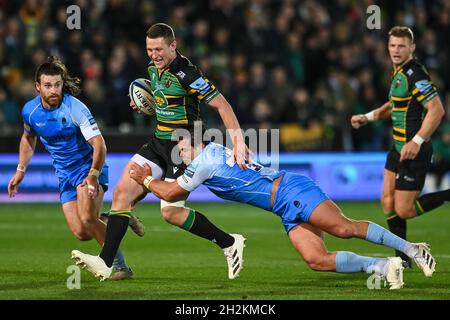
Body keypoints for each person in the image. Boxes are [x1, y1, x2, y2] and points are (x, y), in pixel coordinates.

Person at [73, 132, 436, 289]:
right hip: (284, 207)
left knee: (343, 228)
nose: (180, 153)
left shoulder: (206, 160)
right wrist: (133, 204)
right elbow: (173, 198)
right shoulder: (205, 157)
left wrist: (144, 180)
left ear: (196, 143)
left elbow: (170, 190)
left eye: (183, 147)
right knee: (317, 259)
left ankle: (410, 249)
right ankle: (381, 265)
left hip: (292, 192)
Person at [72, 23, 249, 281]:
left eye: (158, 49)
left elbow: (223, 105)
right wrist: (145, 104)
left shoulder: (187, 74)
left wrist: (239, 142)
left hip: (184, 146)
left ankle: (229, 242)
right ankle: (106, 262)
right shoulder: (152, 71)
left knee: (171, 212)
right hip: (158, 143)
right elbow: (165, 102)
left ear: (173, 46)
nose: (154, 55)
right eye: (149, 49)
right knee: (122, 192)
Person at [7, 56, 141, 280]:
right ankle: (117, 220)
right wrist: (21, 170)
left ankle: (120, 267)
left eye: (57, 85)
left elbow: (99, 144)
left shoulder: (75, 109)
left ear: (62, 83)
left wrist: (93, 175)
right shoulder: (30, 111)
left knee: (88, 218)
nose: (53, 90)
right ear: (37, 87)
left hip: (87, 168)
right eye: (48, 85)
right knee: (81, 232)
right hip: (64, 174)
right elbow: (28, 138)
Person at [351, 26, 449, 267]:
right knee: (387, 202)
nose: (396, 50)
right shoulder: (399, 73)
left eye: (401, 46)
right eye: (393, 45)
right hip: (397, 149)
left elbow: (437, 110)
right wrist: (369, 117)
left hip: (413, 151)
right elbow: (395, 103)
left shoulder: (415, 74)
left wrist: (416, 141)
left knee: (404, 210)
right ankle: (403, 259)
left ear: (412, 48)